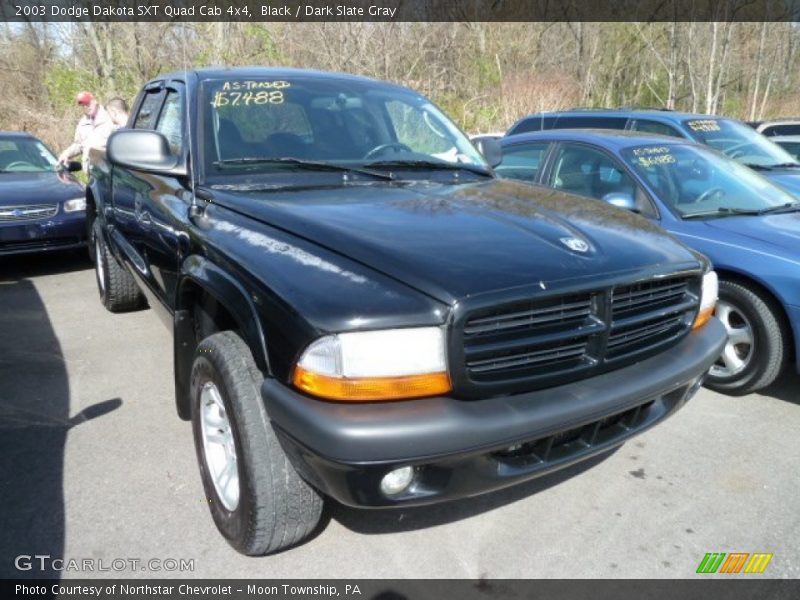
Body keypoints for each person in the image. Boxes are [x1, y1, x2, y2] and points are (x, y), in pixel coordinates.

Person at [58, 91, 114, 171]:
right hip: (91, 172)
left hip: (107, 171)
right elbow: (78, 144)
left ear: (95, 101)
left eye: (88, 103)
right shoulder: (83, 123)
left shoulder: (109, 118)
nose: (86, 107)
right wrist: (66, 154)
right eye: (83, 105)